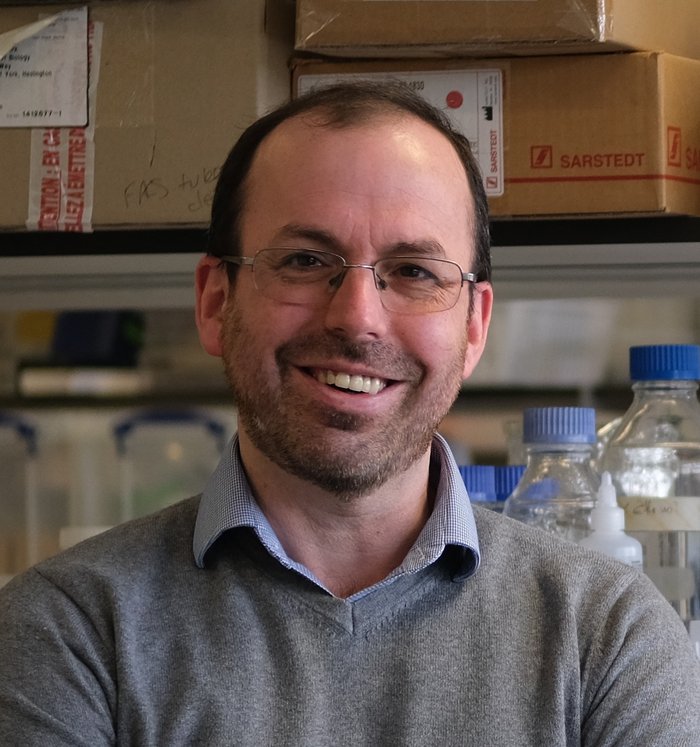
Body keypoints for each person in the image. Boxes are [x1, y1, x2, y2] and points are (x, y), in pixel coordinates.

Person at [0, 81, 698, 746]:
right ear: (217, 301)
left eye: (415, 272)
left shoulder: (606, 632)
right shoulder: (72, 629)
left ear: (474, 326)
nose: (358, 318)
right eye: (305, 259)